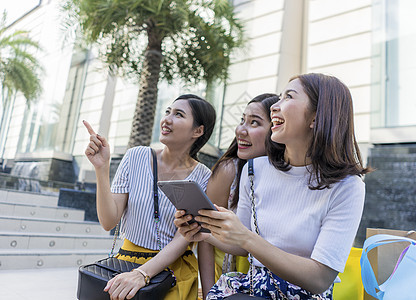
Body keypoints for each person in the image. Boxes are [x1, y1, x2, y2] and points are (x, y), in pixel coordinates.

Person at [175, 73, 370, 299]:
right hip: (252, 289)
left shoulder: (348, 186)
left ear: (316, 118)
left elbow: (320, 279)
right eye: (278, 97)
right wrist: (204, 232)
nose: (275, 107)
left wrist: (246, 238)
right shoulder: (254, 169)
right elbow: (242, 245)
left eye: (288, 97)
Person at [84, 94, 216, 300]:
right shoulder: (136, 156)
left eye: (179, 114)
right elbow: (108, 221)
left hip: (173, 272)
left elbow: (185, 236)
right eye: (168, 112)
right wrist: (101, 169)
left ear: (198, 131)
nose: (167, 119)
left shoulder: (204, 177)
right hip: (127, 263)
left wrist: (142, 274)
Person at [198, 93, 279, 299]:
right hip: (227, 281)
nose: (241, 130)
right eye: (242, 120)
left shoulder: (284, 175)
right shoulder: (230, 170)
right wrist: (209, 293)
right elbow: (206, 235)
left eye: (254, 123)